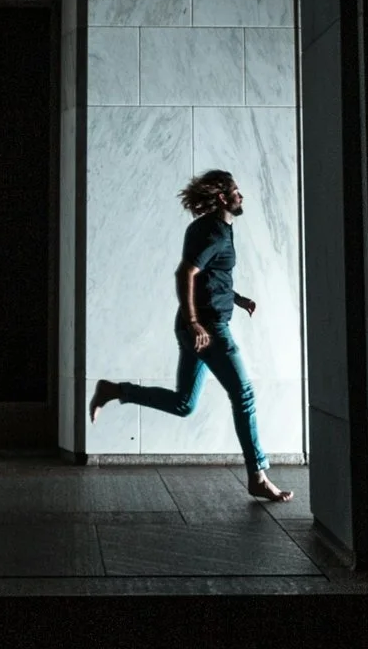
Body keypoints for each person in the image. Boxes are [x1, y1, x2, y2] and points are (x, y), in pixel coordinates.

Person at [89, 168, 292, 502]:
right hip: (207, 329)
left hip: (197, 325)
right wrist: (195, 321)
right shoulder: (213, 232)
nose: (242, 196)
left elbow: (210, 277)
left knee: (184, 404)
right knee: (244, 394)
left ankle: (114, 390)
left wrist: (237, 299)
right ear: (223, 198)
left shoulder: (214, 228)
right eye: (237, 191)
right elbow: (186, 272)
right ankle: (257, 475)